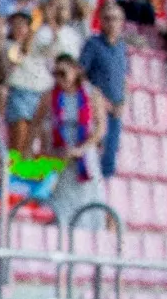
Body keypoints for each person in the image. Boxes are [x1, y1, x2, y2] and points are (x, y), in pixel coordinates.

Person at [29, 53, 108, 227]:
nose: (59, 79)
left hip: (84, 155)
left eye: (63, 74)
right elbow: (36, 123)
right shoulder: (50, 96)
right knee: (61, 204)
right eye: (55, 74)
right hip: (59, 154)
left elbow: (100, 128)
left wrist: (81, 149)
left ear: (75, 71)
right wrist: (35, 148)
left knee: (87, 201)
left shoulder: (92, 94)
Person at [7, 0, 86, 149]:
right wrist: (40, 21)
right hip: (22, 88)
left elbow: (59, 55)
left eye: (63, 8)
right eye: (57, 7)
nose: (59, 11)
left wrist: (50, 23)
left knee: (41, 143)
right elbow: (21, 52)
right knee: (19, 141)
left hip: (45, 92)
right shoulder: (34, 32)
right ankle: (14, 166)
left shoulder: (68, 36)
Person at [80, 1, 129, 177]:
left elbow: (124, 77)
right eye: (108, 19)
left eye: (116, 19)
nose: (112, 23)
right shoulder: (92, 44)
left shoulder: (122, 46)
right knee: (93, 154)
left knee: (110, 154)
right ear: (101, 20)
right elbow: (81, 75)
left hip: (116, 109)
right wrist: (100, 100)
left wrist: (123, 102)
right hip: (95, 108)